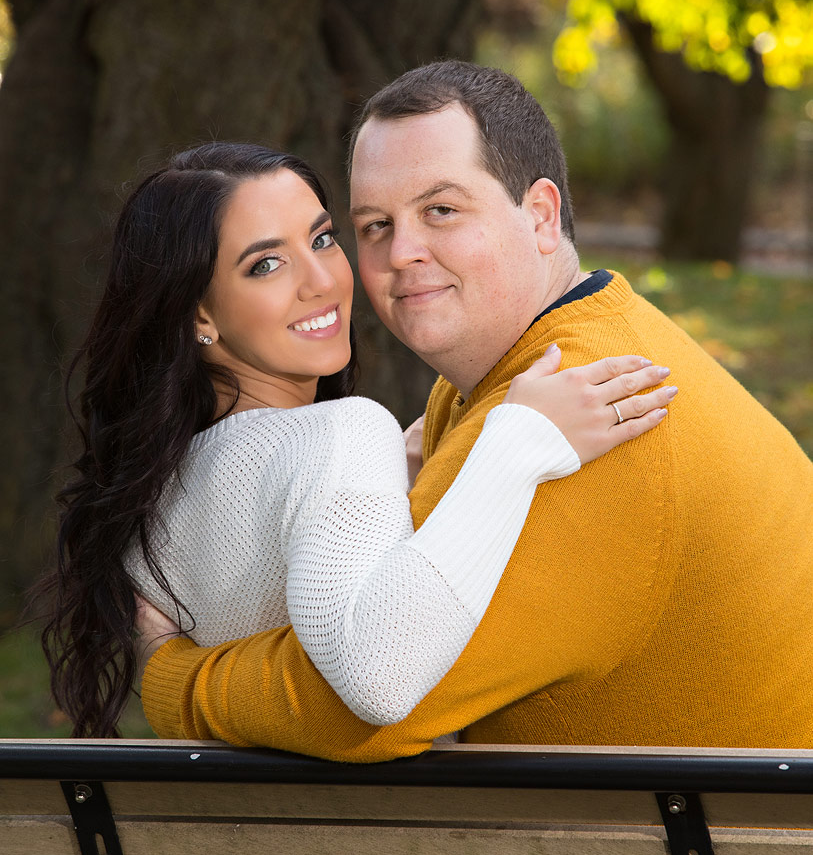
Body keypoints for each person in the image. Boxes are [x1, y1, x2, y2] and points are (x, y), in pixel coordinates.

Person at [137, 61, 813, 758]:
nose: (402, 253)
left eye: (441, 211)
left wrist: (169, 673)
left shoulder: (588, 414)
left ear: (541, 216)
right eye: (372, 225)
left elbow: (359, 711)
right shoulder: (521, 378)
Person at [40, 141, 672, 738]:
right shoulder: (343, 435)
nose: (321, 280)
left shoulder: (153, 494)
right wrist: (515, 447)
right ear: (198, 314)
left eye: (322, 239)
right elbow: (380, 680)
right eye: (265, 264)